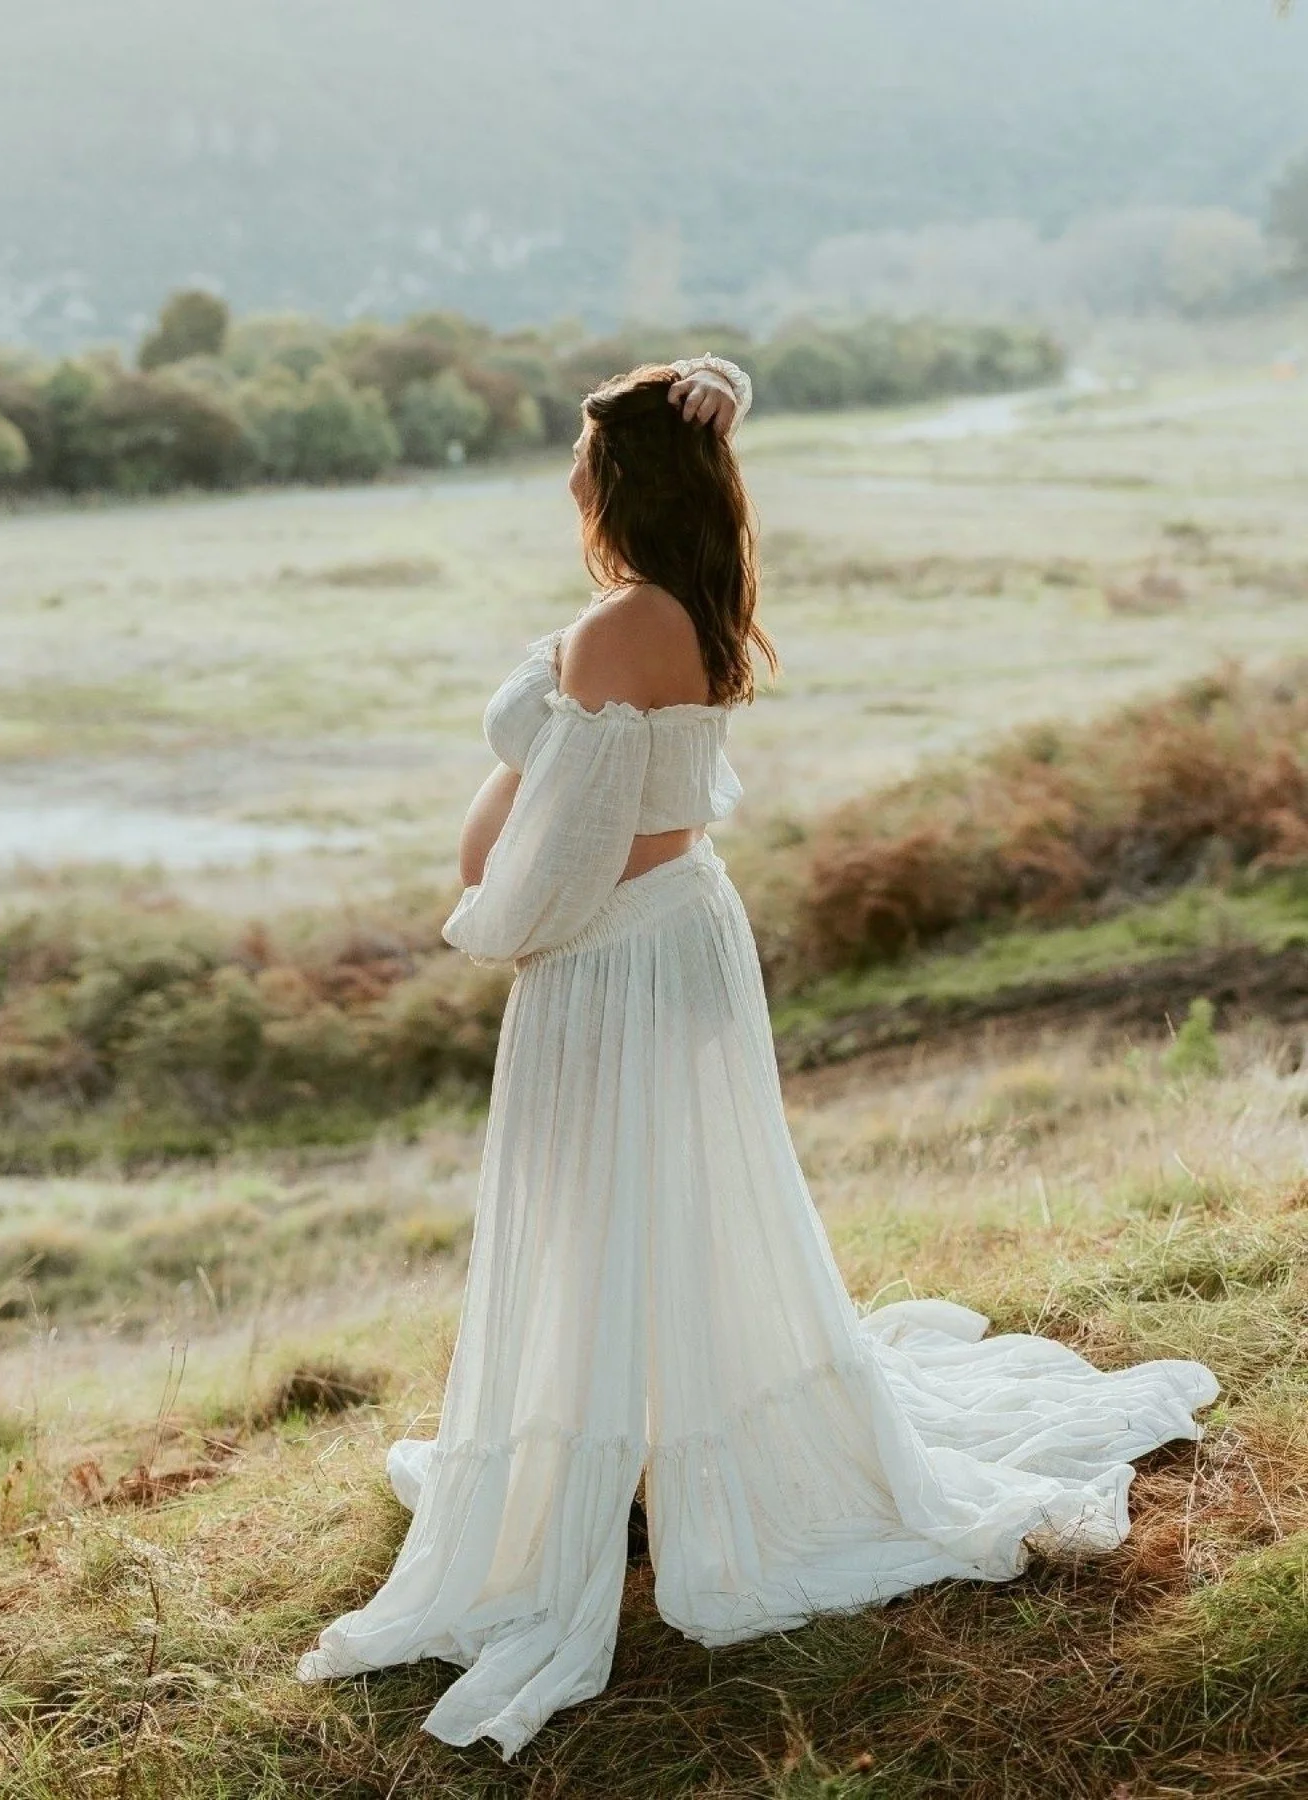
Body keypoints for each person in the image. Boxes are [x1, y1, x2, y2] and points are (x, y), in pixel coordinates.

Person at [296, 354, 1218, 1760]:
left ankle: (626, 1464)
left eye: (586, 458)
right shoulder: (695, 600)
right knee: (651, 1201)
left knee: (604, 1204)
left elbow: (572, 841)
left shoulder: (623, 627)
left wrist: (494, 927)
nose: (568, 478)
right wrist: (710, 378)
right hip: (666, 935)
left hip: (611, 953)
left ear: (625, 482)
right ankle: (645, 1439)